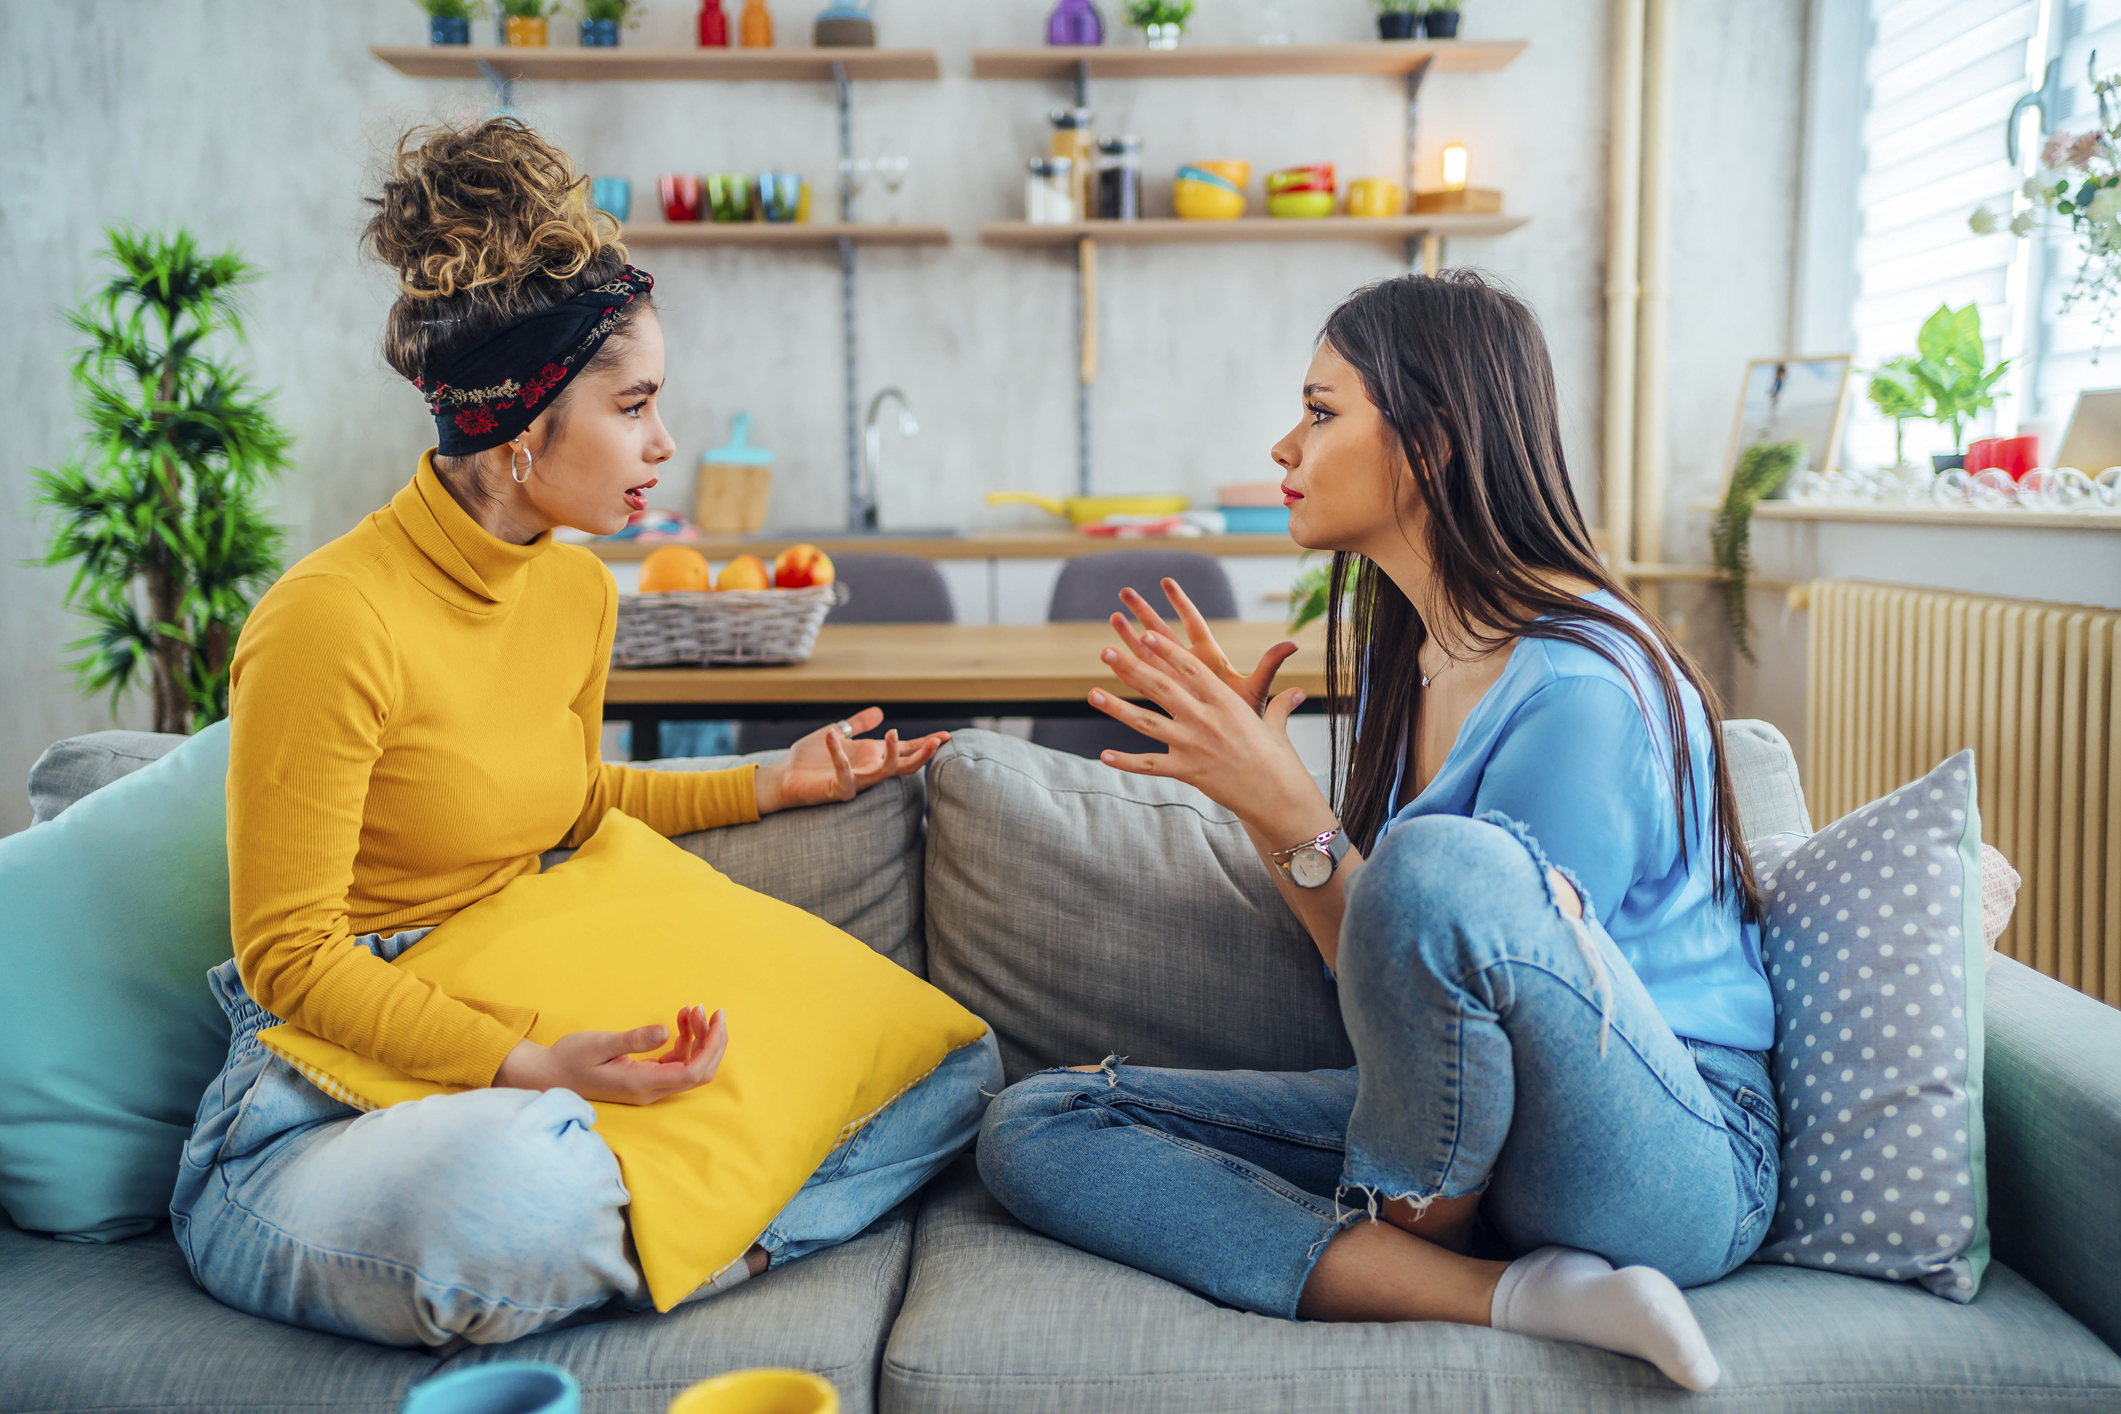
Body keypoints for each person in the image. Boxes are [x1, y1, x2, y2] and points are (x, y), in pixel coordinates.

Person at [170, 117, 999, 1348]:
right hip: (320, 1101)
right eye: (637, 405)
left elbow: (564, 801)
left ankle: (701, 1242)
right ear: (519, 434)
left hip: (518, 975)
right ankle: (695, 1234)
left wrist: (771, 779)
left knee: (952, 1070)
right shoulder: (329, 619)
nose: (666, 444)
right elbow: (291, 957)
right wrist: (533, 1068)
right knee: (520, 1188)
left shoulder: (574, 588)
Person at [975, 271, 1777, 1392]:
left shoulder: (1583, 687)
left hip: (1664, 1142)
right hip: (1475, 1140)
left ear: (1434, 440)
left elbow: (1539, 1017)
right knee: (1037, 1121)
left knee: (1443, 864)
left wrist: (1294, 802)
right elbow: (1406, 993)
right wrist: (1265, 797)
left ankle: (1409, 1234)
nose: (1282, 449)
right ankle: (1512, 1294)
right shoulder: (1425, 655)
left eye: (1319, 411)